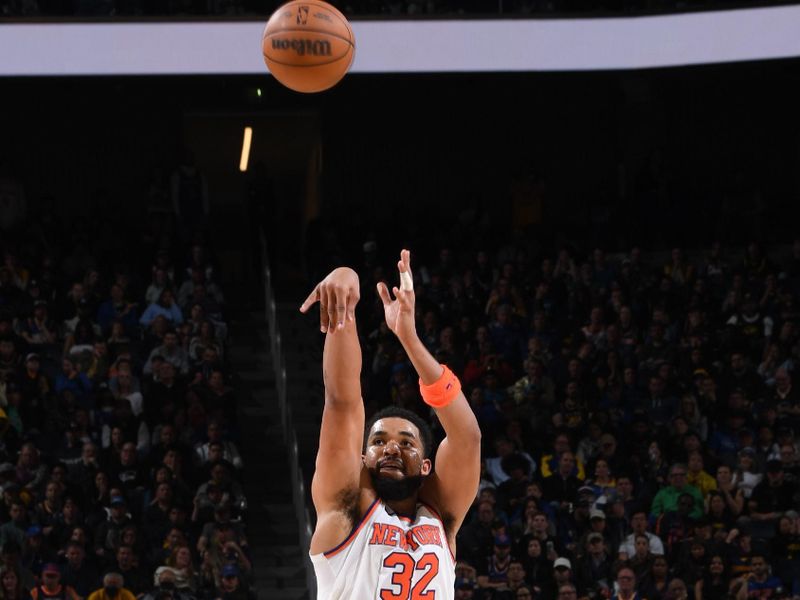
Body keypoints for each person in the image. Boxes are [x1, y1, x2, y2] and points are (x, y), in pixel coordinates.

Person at [299, 251, 481, 599]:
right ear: (363, 458)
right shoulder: (345, 507)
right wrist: (345, 290)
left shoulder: (439, 515)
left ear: (427, 465)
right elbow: (342, 401)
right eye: (378, 441)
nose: (392, 447)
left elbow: (467, 437)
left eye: (407, 443)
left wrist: (409, 339)